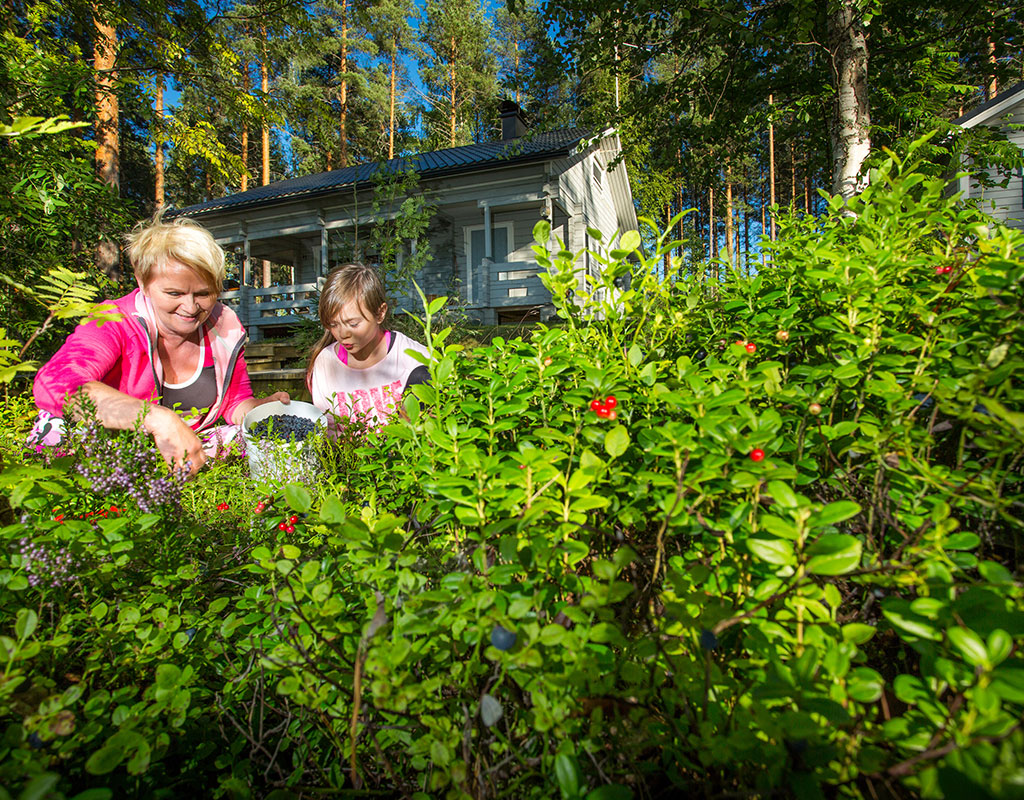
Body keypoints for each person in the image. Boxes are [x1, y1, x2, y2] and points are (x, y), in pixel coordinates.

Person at [30, 214, 290, 473]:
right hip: (112, 445)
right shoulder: (114, 319)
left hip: (192, 442)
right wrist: (156, 419)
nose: (190, 307)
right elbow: (55, 383)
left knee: (263, 439)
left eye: (203, 293)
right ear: (143, 282)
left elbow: (235, 401)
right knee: (53, 427)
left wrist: (258, 408)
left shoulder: (223, 325)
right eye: (174, 293)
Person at [307, 263, 429, 425]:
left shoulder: (414, 359)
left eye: (353, 324)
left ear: (380, 313)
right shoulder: (326, 363)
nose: (343, 335)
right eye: (334, 324)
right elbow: (328, 433)